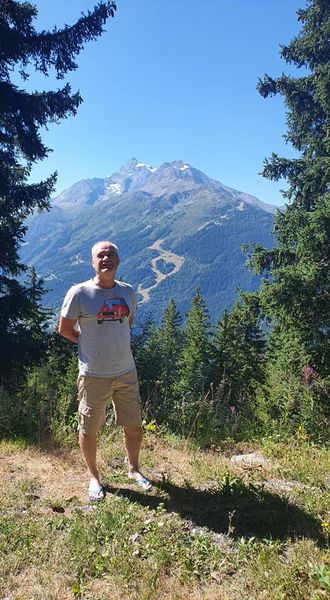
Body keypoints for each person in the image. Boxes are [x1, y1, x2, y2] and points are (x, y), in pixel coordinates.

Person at [58, 240, 151, 501]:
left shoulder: (128, 292)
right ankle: (94, 477)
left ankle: (133, 469)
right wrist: (86, 342)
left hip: (125, 371)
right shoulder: (79, 293)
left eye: (111, 255)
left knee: (133, 425)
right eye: (101, 255)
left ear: (118, 261)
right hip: (93, 374)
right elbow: (64, 329)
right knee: (89, 428)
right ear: (93, 262)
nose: (106, 259)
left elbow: (126, 323)